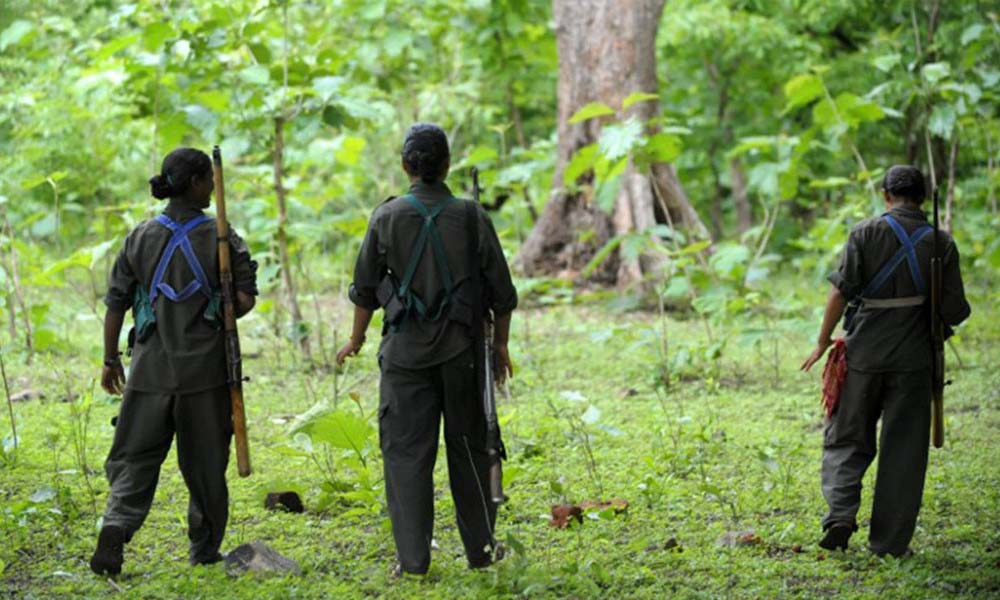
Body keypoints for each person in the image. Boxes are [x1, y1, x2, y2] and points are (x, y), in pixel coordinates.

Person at [337, 123, 517, 576]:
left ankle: (413, 562)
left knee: (405, 456)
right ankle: (480, 553)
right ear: (447, 165)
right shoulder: (472, 216)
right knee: (473, 451)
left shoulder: (386, 217)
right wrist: (500, 348)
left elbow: (364, 290)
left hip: (404, 359)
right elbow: (503, 293)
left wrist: (355, 340)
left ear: (406, 166)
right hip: (464, 355)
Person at [90, 147, 258, 575]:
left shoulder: (140, 237)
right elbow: (243, 300)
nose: (215, 186)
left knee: (133, 457)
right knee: (205, 466)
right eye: (210, 180)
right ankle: (203, 549)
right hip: (204, 375)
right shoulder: (222, 237)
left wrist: (111, 358)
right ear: (198, 183)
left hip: (149, 372)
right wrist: (225, 300)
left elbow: (115, 303)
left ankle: (116, 525)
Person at [801, 165, 971, 557]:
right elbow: (956, 310)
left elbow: (838, 294)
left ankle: (841, 515)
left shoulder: (864, 233)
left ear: (885, 195)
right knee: (905, 450)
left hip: (862, 356)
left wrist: (824, 341)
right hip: (914, 362)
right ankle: (890, 543)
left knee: (846, 437)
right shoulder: (942, 244)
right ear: (923, 198)